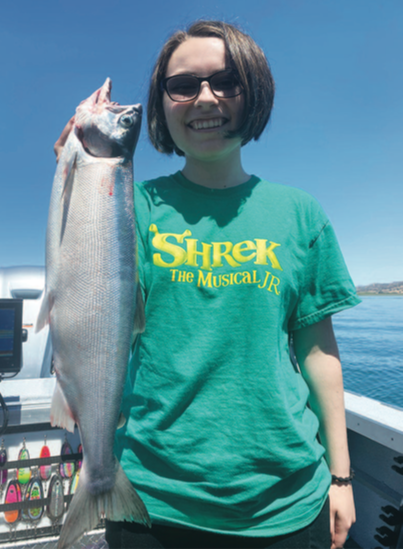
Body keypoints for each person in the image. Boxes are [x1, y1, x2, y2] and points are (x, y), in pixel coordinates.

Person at [55, 20, 360, 549]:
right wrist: (72, 173)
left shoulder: (299, 213)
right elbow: (86, 282)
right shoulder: (132, 205)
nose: (205, 98)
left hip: (286, 504)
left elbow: (317, 350)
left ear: (254, 93)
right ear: (161, 102)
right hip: (152, 498)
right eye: (183, 85)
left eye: (226, 81)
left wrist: (342, 477)